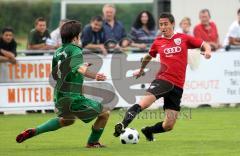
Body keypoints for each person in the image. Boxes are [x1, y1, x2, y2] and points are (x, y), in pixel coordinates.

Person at [113, 13, 211, 141]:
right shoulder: (158, 42)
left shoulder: (184, 38)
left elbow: (204, 44)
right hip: (163, 81)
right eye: (161, 25)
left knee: (169, 125)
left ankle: (148, 131)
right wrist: (141, 69)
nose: (163, 27)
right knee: (144, 103)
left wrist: (208, 51)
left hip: (178, 86)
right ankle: (123, 124)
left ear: (172, 24)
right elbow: (148, 56)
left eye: (166, 24)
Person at [16, 20, 110, 148]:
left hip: (60, 95)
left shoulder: (58, 51)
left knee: (68, 120)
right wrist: (94, 75)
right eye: (79, 34)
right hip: (73, 97)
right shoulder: (76, 50)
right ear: (75, 37)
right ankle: (92, 142)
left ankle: (35, 131)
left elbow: (56, 74)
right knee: (104, 113)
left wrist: (80, 67)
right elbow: (78, 68)